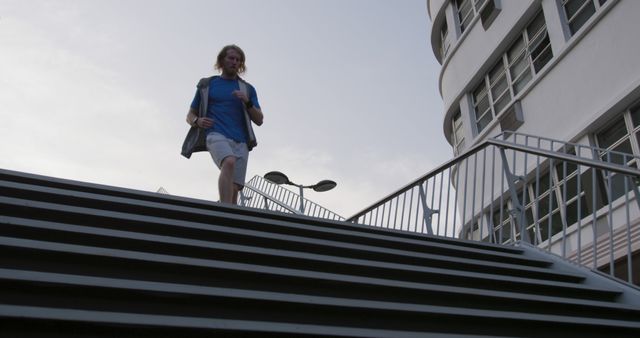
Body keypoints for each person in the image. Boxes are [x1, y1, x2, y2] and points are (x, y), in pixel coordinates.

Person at [185, 44, 263, 205]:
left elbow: (259, 120)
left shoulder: (248, 89)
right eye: (231, 58)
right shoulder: (207, 84)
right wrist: (197, 121)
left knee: (234, 188)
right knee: (229, 161)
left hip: (241, 140)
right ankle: (224, 212)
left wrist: (247, 101)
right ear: (221, 60)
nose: (234, 62)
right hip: (215, 133)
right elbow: (190, 114)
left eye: (238, 60)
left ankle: (228, 221)